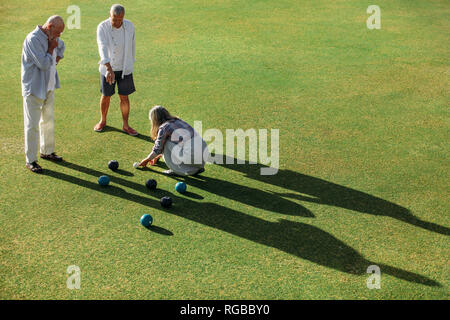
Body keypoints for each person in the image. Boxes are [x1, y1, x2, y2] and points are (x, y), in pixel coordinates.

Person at [21, 15, 66, 173]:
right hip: (34, 88)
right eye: (59, 32)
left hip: (48, 86)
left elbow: (62, 47)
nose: (60, 36)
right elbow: (44, 64)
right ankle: (31, 160)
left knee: (48, 120)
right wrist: (51, 49)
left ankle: (47, 151)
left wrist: (56, 53)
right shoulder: (33, 39)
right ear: (50, 26)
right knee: (32, 125)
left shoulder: (52, 37)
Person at [94, 4, 138, 136]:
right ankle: (103, 121)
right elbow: (102, 46)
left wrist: (131, 62)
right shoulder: (102, 27)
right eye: (115, 19)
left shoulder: (130, 26)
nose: (117, 22)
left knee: (124, 97)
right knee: (106, 95)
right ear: (110, 15)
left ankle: (126, 125)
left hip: (125, 68)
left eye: (120, 19)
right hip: (108, 68)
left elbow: (133, 44)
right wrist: (108, 68)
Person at [138, 106, 209, 176]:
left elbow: (158, 148)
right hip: (204, 150)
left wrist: (146, 160)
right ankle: (197, 167)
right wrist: (157, 157)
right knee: (170, 141)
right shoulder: (177, 120)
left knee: (165, 142)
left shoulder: (164, 128)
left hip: (193, 155)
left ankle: (183, 171)